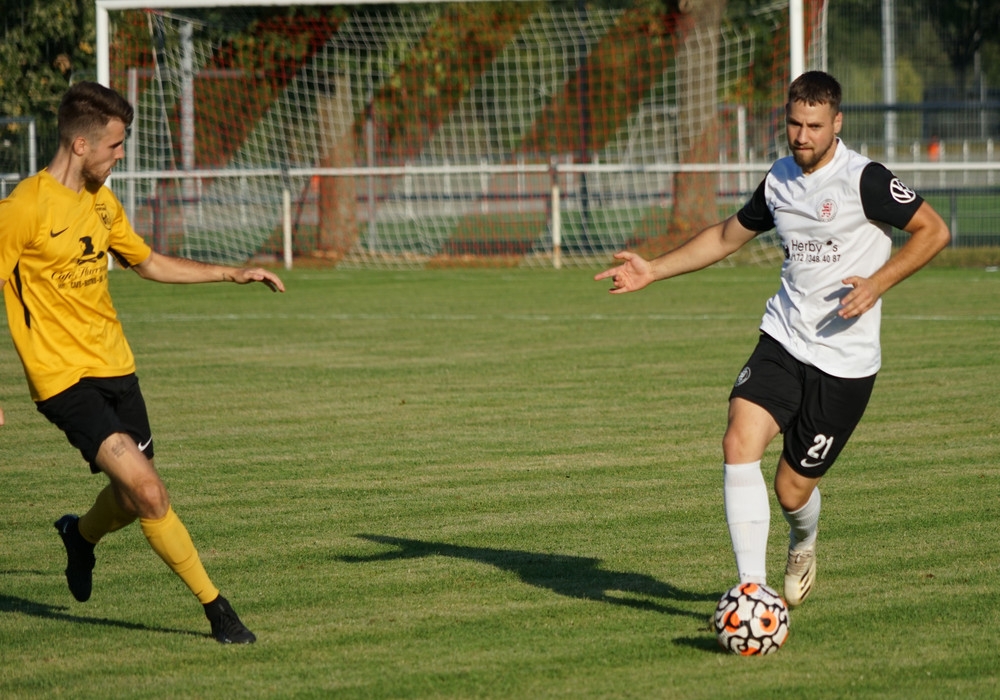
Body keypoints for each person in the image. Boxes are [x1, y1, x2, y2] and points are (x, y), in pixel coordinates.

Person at [594, 71, 950, 607]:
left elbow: (934, 230)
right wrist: (654, 270)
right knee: (738, 441)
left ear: (837, 123)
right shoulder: (779, 179)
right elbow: (725, 236)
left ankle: (804, 539)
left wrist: (878, 283)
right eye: (794, 124)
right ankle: (751, 591)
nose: (802, 136)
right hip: (783, 339)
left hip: (845, 363)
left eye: (814, 126)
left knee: (791, 490)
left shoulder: (866, 179)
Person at [0, 81, 286, 643]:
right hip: (63, 382)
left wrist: (231, 273)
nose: (122, 154)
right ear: (81, 145)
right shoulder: (22, 209)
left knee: (133, 500)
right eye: (115, 144)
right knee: (151, 492)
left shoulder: (102, 202)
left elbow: (148, 262)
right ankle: (219, 612)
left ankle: (80, 536)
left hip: (117, 368)